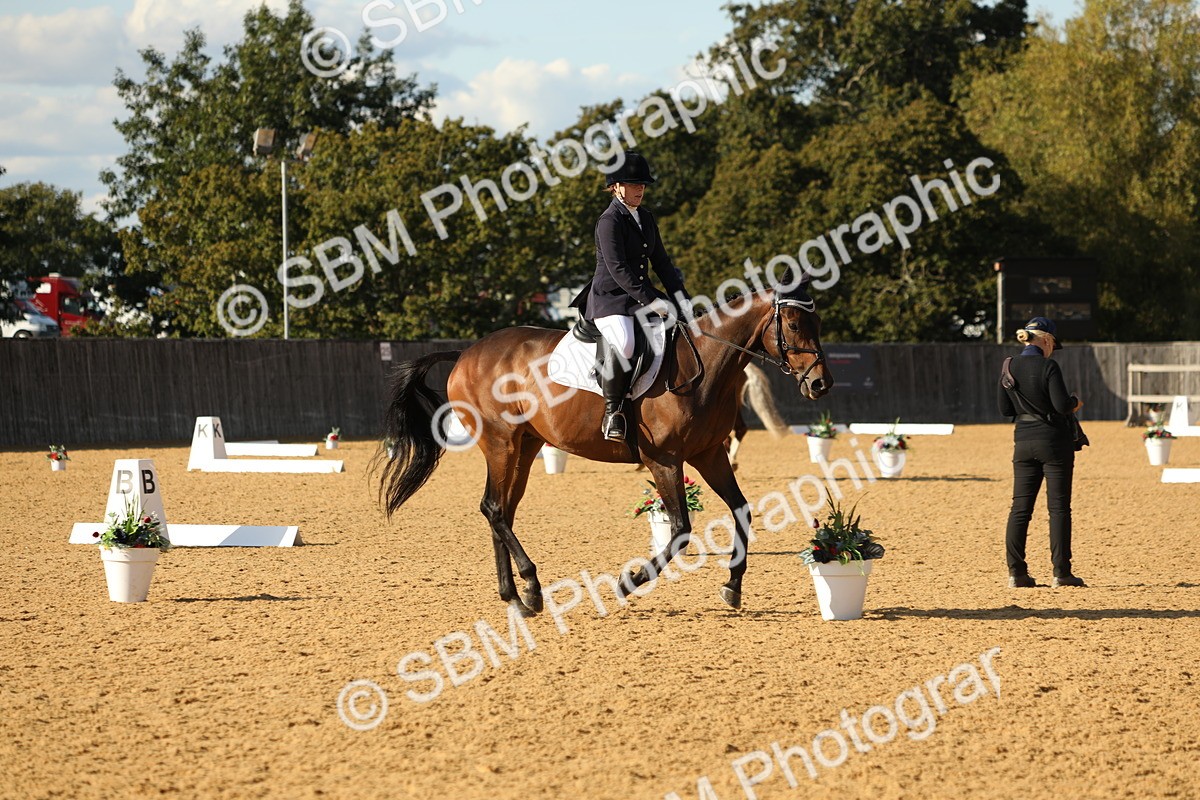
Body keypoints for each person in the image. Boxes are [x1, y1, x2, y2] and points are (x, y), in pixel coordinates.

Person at [569, 151, 691, 441]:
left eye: (643, 185)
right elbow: (619, 270)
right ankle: (613, 412)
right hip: (610, 299)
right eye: (634, 184)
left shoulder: (645, 218)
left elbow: (662, 263)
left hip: (641, 296)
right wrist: (652, 301)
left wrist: (682, 300)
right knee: (624, 342)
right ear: (616, 186)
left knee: (680, 334)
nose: (640, 190)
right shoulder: (609, 221)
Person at [997, 317, 1086, 588]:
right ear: (1046, 340)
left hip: (1022, 441)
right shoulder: (1049, 365)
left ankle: (1017, 573)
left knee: (1020, 509)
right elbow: (1061, 405)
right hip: (1053, 442)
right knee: (1059, 509)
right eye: (1052, 344)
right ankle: (1061, 573)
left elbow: (1005, 410)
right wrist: (1075, 402)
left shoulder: (1008, 365)